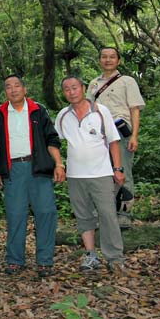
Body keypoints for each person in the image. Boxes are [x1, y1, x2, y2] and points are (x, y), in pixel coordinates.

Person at [0, 74, 65, 278]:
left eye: (17, 85)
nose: (13, 89)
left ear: (24, 89)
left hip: (38, 166)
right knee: (15, 214)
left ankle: (45, 261)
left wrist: (59, 164)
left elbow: (52, 139)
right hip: (13, 169)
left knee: (46, 212)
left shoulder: (38, 110)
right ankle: (15, 260)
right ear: (5, 92)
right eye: (8, 87)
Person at [56, 76, 127, 273]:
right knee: (83, 216)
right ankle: (91, 255)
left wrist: (118, 169)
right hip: (75, 175)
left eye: (75, 87)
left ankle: (115, 257)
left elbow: (113, 141)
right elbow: (54, 142)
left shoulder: (100, 111)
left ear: (83, 88)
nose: (71, 92)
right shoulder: (63, 115)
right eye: (67, 89)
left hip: (101, 173)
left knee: (108, 215)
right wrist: (59, 164)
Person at [86, 47, 145, 229]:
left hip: (120, 132)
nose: (108, 60)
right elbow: (88, 110)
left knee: (122, 172)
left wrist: (134, 136)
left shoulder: (127, 81)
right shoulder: (93, 84)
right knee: (100, 174)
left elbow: (135, 109)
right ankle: (102, 214)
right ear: (99, 60)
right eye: (104, 57)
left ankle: (124, 214)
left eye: (112, 57)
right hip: (99, 134)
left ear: (118, 61)